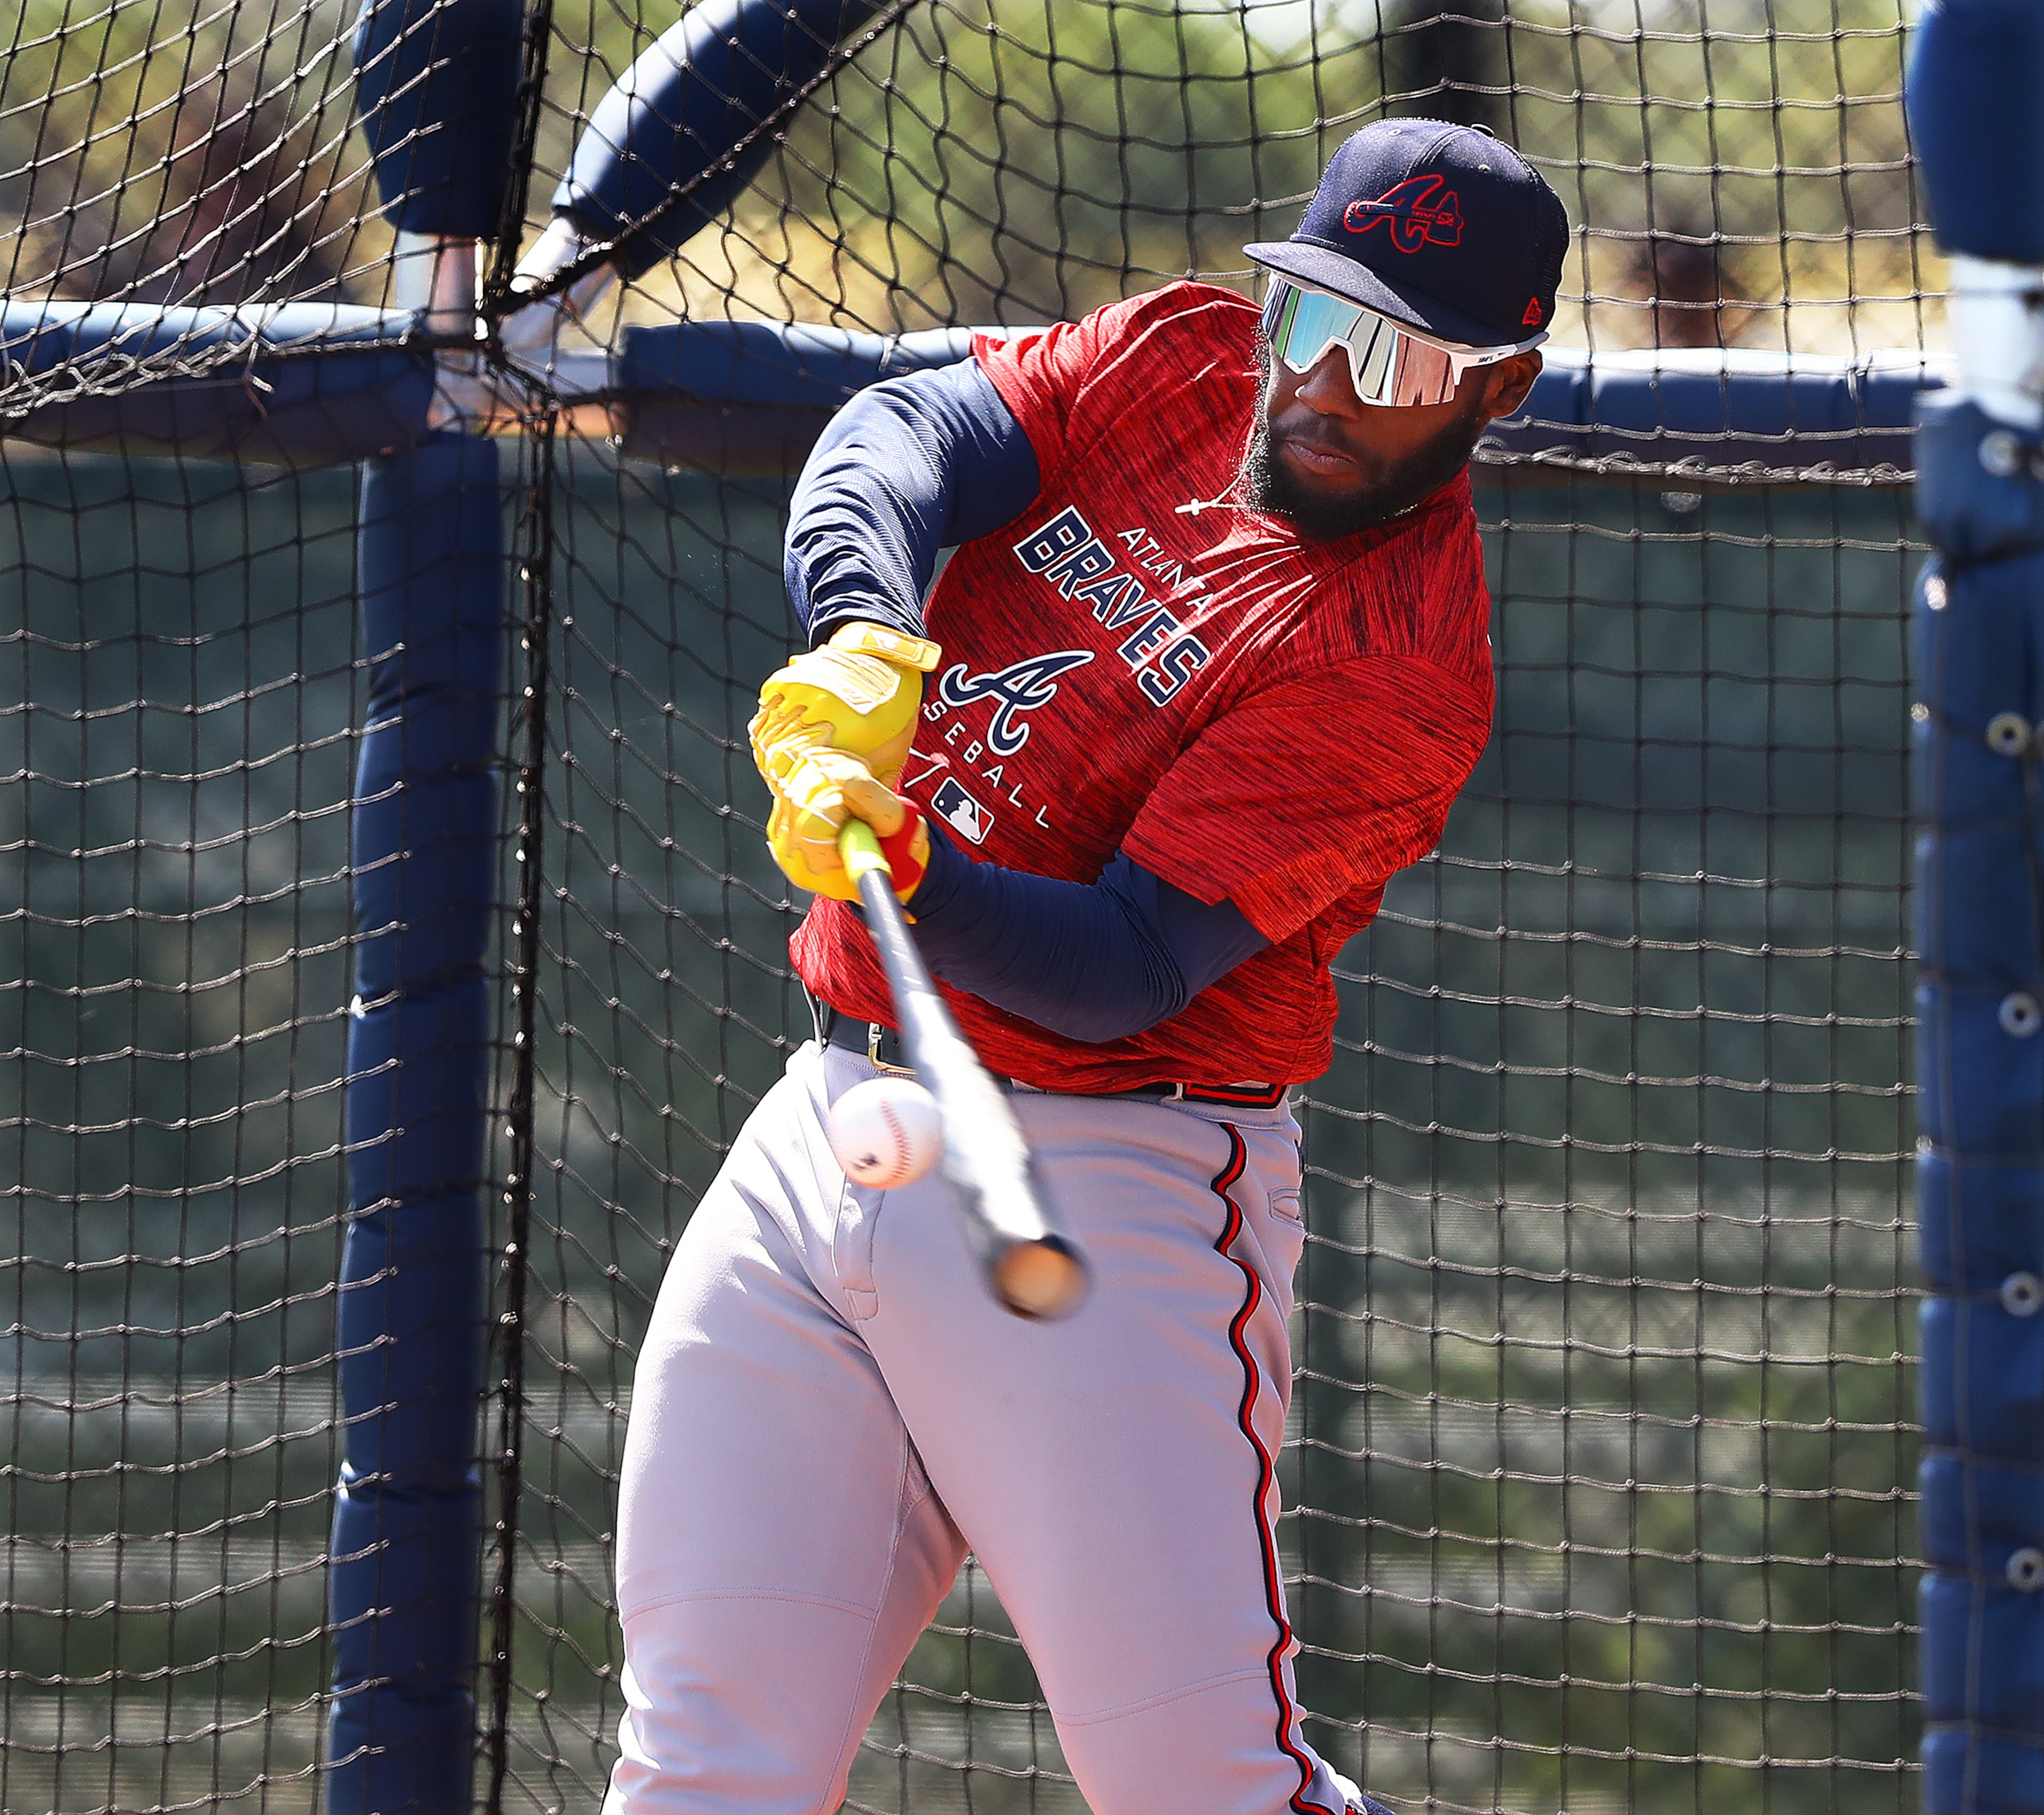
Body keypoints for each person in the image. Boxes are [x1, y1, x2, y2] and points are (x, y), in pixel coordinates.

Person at [606, 119, 1568, 1815]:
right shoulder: (1187, 353)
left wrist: (913, 860)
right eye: (1313, 317)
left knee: (1206, 1790)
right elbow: (899, 433)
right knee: (704, 1764)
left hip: (1102, 1173)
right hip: (829, 1120)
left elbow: (1126, 961)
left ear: (1500, 388)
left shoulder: (1403, 659)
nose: (1322, 382)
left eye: (1392, 354)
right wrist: (861, 629)